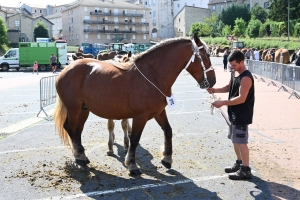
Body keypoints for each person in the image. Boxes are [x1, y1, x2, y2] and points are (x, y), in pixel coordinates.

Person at [207, 50, 255, 180]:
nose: (232, 67)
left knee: (241, 142)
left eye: (234, 65)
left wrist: (222, 102)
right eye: (231, 65)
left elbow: (241, 98)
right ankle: (239, 163)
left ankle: (246, 170)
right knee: (235, 140)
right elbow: (230, 87)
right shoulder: (236, 73)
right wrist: (215, 89)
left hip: (242, 114)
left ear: (242, 62)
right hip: (233, 113)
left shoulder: (246, 77)